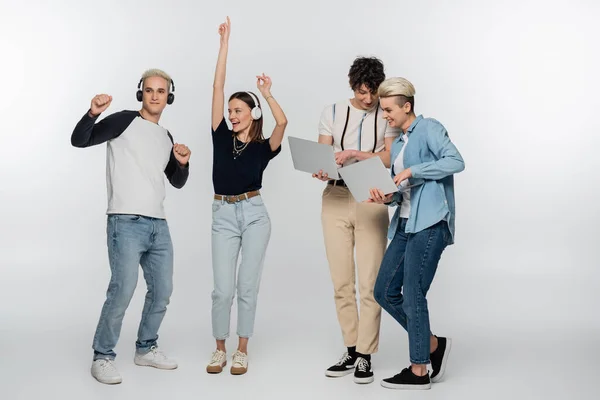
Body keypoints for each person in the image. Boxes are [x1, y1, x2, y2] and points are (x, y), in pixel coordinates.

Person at [70, 68, 191, 385]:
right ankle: (102, 356)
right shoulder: (123, 120)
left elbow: (176, 182)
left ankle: (146, 348)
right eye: (149, 90)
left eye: (161, 91)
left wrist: (182, 163)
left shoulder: (165, 136)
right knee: (122, 290)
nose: (154, 96)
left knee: (162, 291)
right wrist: (92, 113)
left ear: (169, 97)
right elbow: (79, 140)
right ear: (141, 93)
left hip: (158, 225)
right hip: (125, 220)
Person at [367, 77, 464, 390]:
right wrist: (388, 196)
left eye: (389, 109)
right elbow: (403, 190)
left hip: (430, 222)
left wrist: (414, 170)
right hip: (406, 223)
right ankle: (433, 344)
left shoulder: (430, 128)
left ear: (407, 106)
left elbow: (455, 161)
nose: (386, 116)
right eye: (383, 110)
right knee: (383, 291)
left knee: (412, 294)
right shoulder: (399, 141)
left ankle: (419, 369)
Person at [206, 16, 288, 376]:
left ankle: (242, 349)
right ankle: (219, 349)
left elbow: (282, 124)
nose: (231, 115)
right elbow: (218, 87)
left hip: (254, 214)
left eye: (238, 111)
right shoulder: (220, 135)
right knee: (222, 289)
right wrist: (225, 45)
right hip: (223, 215)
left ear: (252, 114)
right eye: (230, 111)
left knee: (246, 287)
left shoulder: (263, 147)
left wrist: (267, 94)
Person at [314, 56, 401, 384]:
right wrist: (320, 168)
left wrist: (355, 154)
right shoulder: (332, 111)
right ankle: (350, 348)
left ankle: (365, 354)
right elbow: (322, 154)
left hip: (371, 196)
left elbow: (390, 156)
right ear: (353, 86)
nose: (368, 99)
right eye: (363, 91)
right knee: (341, 281)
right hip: (335, 196)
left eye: (373, 92)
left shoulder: (387, 113)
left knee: (369, 282)